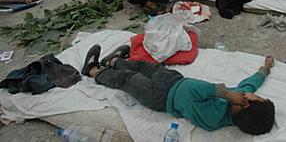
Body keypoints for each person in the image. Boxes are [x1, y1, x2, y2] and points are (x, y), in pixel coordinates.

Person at [81, 44, 275, 135]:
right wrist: (264, 70)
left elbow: (192, 90)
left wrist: (224, 93)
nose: (249, 93)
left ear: (243, 105)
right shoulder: (238, 97)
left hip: (160, 97)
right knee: (145, 67)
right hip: (173, 79)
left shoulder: (214, 117)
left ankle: (93, 71)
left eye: (254, 97)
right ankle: (114, 61)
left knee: (128, 80)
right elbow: (250, 84)